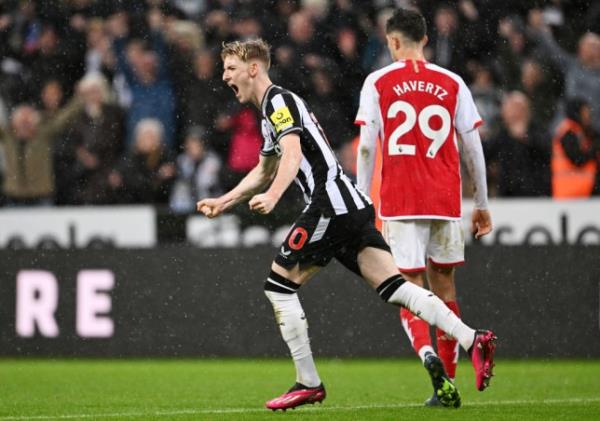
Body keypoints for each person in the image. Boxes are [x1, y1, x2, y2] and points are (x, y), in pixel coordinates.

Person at [197, 38, 496, 412]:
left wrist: (274, 196)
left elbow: (290, 154)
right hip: (351, 204)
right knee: (397, 288)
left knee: (278, 286)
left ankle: (308, 382)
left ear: (253, 68)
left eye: (230, 69)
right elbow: (263, 168)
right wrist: (224, 201)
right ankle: (474, 339)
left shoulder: (278, 101)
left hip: (330, 203)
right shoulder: (272, 110)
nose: (225, 76)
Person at [355, 8, 493, 407]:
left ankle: (432, 366)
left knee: (408, 290)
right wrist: (481, 203)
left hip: (400, 201)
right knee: (445, 287)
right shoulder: (452, 82)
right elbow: (472, 146)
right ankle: (451, 379)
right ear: (426, 40)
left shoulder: (378, 82)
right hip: (444, 199)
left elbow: (366, 146)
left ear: (393, 42)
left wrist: (364, 200)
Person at [551, 97, 598, 199]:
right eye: (585, 112)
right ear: (577, 113)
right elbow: (577, 159)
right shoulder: (568, 133)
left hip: (583, 193)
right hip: (570, 195)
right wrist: (594, 150)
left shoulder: (583, 132)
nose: (588, 115)